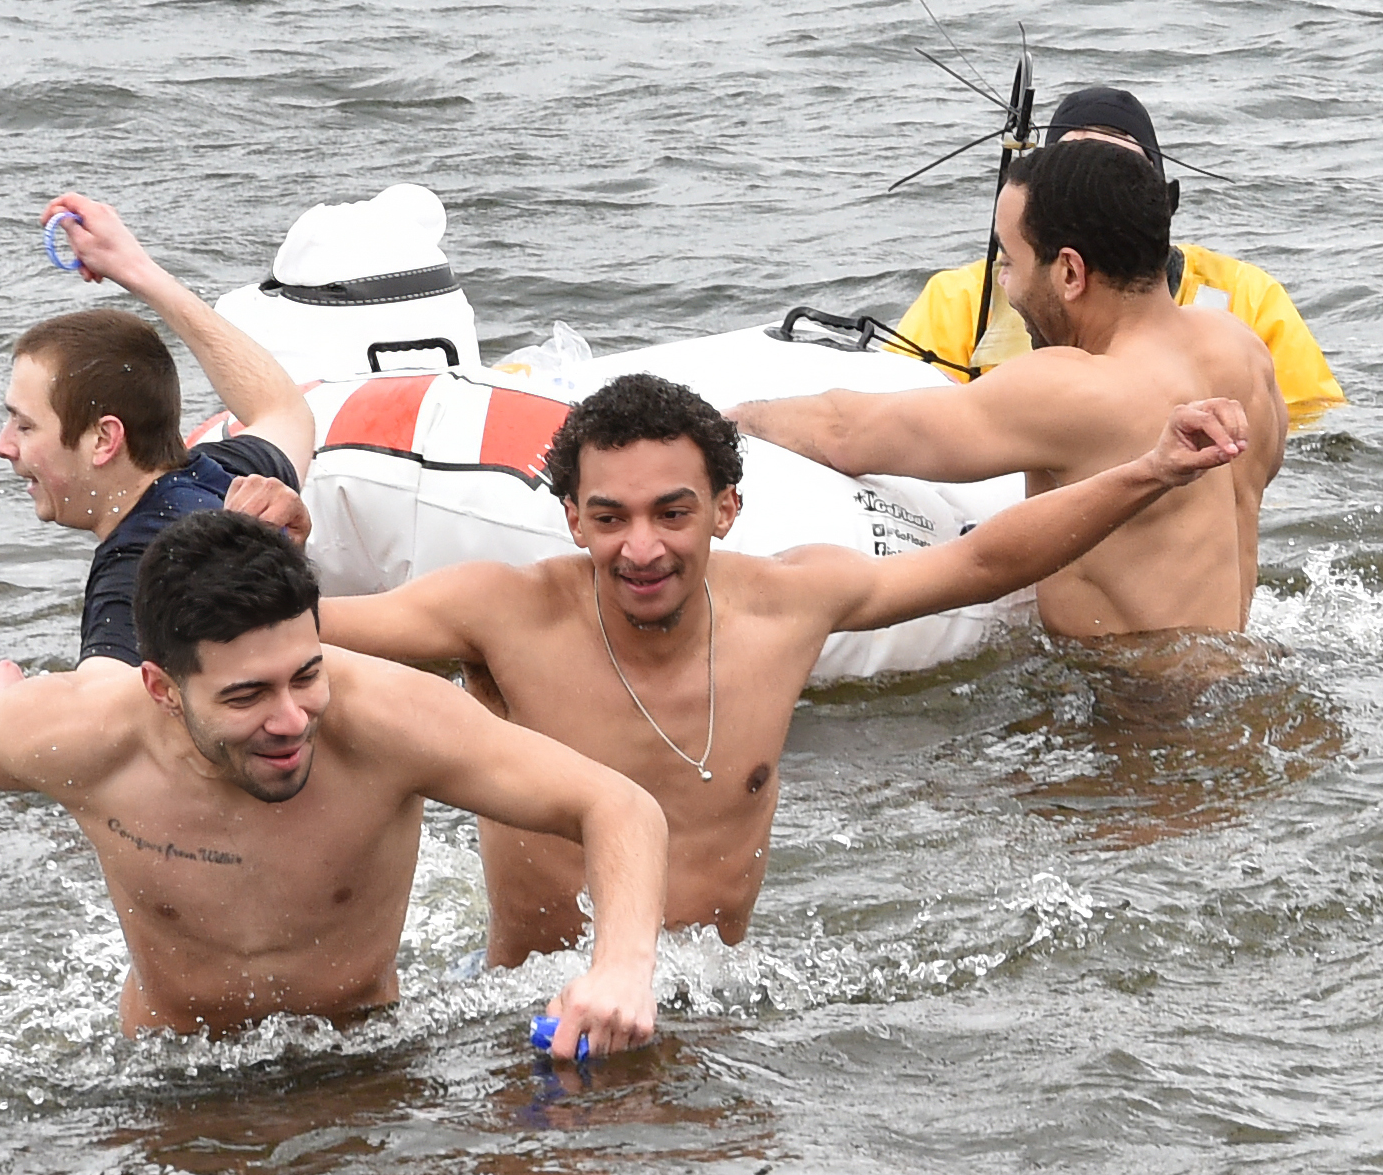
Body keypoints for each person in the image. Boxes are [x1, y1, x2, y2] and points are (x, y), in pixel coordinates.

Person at [312, 371, 1249, 963]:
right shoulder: (498, 614)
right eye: (610, 518)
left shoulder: (790, 605)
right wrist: (262, 528)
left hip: (722, 1004)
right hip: (535, 1010)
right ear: (572, 519)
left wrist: (1153, 470)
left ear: (725, 510)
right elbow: (305, 631)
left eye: (671, 514)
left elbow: (981, 566)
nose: (641, 547)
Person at [0, 512, 666, 1061]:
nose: (292, 717)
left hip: (362, 1055)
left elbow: (617, 805)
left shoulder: (389, 721)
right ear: (160, 687)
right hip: (164, 1073)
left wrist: (620, 966)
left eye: (306, 673)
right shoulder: (85, 735)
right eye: (247, 695)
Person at [731, 140, 1286, 639]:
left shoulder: (1076, 390)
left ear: (1070, 273)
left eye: (1009, 261)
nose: (1005, 284)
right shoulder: (1241, 349)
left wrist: (723, 417)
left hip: (1137, 713)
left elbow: (846, 433)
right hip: (1235, 670)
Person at [0, 193, 317, 690]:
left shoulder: (140, 565)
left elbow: (95, 721)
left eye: (24, 426)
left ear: (104, 439)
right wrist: (136, 269)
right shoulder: (221, 476)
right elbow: (284, 410)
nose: (3, 446)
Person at [895, 86, 1343, 410]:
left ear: (1160, 204)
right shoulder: (959, 301)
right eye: (1078, 181)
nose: (1100, 202)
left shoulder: (1250, 301)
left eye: (1121, 182)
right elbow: (893, 408)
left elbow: (1313, 438)